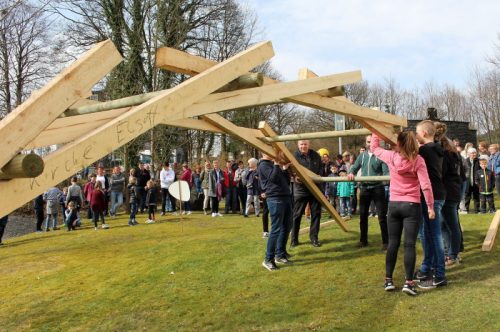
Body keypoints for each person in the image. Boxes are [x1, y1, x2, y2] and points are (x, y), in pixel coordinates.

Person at [371, 132, 435, 296]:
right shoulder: (418, 160)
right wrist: (430, 206)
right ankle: (408, 283)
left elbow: (374, 148)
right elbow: (426, 185)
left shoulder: (391, 156)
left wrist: (376, 132)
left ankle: (388, 280)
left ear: (398, 143)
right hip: (411, 205)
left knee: (393, 243)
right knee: (409, 245)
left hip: (393, 204)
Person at [414, 120, 447, 290]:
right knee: (428, 234)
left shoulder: (424, 150)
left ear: (424, 134)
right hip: (437, 194)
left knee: (434, 235)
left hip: (431, 196)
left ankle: (440, 274)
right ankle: (428, 268)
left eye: (417, 133)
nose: (415, 136)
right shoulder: (436, 149)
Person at [348, 135, 390, 249]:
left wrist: (386, 178)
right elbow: (354, 167)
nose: (370, 144)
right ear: (366, 143)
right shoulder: (362, 156)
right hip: (364, 188)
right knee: (363, 215)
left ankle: (386, 242)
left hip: (377, 188)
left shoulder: (381, 156)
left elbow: (386, 172)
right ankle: (363, 240)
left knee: (381, 216)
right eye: (368, 142)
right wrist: (351, 172)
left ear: (376, 143)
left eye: (372, 142)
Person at [434, 123, 464, 267]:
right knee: (443, 225)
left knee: (451, 225)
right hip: (450, 191)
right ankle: (449, 253)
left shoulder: (445, 153)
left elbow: (442, 172)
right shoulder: (451, 150)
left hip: (448, 192)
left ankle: (453, 254)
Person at [258, 152, 293, 271]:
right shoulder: (263, 165)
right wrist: (277, 164)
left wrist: (285, 169)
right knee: (276, 229)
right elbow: (273, 178)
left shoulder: (272, 165)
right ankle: (268, 259)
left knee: (287, 226)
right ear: (263, 152)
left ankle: (280, 253)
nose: (273, 153)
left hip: (285, 196)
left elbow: (284, 181)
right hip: (275, 198)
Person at [291, 140, 323, 247]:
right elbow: (290, 170)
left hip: (315, 189)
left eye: (305, 144)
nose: (303, 146)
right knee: (297, 215)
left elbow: (320, 169)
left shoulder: (315, 155)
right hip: (301, 190)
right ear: (298, 145)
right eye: (301, 144)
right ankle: (294, 239)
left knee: (316, 214)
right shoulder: (294, 156)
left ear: (309, 145)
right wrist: (295, 177)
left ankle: (314, 238)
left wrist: (318, 177)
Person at [464, 147, 480, 214]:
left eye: (475, 153)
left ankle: (477, 210)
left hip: (476, 182)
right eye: (472, 153)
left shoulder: (479, 161)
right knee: (467, 196)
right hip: (467, 182)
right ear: (468, 154)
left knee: (476, 196)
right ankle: (466, 210)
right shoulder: (465, 161)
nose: (474, 154)